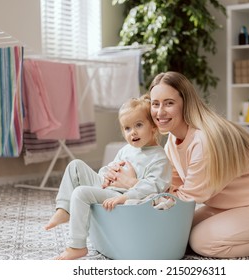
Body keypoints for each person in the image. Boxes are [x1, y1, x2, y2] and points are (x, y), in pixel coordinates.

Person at [143, 71, 249, 258]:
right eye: (155, 104)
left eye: (169, 103)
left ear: (186, 103)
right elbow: (173, 188)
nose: (160, 112)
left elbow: (187, 197)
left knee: (202, 242)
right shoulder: (172, 140)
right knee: (180, 232)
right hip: (239, 203)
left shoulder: (203, 140)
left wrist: (141, 192)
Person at [44, 95, 172, 260]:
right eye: (127, 128)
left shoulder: (159, 158)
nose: (132, 132)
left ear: (154, 127)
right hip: (109, 186)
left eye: (138, 125)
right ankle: (64, 209)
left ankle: (76, 246)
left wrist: (125, 196)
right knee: (75, 165)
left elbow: (152, 187)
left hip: (121, 194)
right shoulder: (126, 150)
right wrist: (106, 174)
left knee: (81, 193)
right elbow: (109, 168)